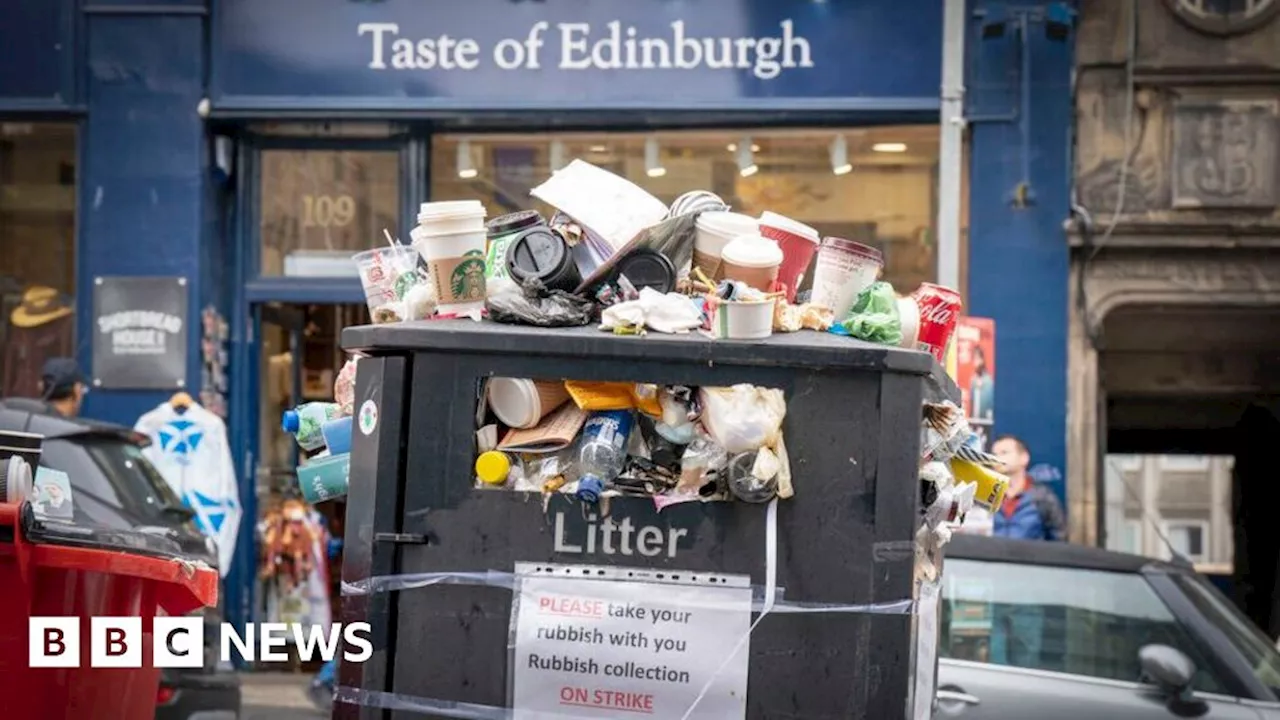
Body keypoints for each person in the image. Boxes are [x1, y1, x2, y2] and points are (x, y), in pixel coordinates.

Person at [991, 434, 1065, 541]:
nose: (997, 458)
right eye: (994, 454)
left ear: (1024, 458)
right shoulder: (983, 496)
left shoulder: (1043, 498)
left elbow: (1059, 539)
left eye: (1004, 453)